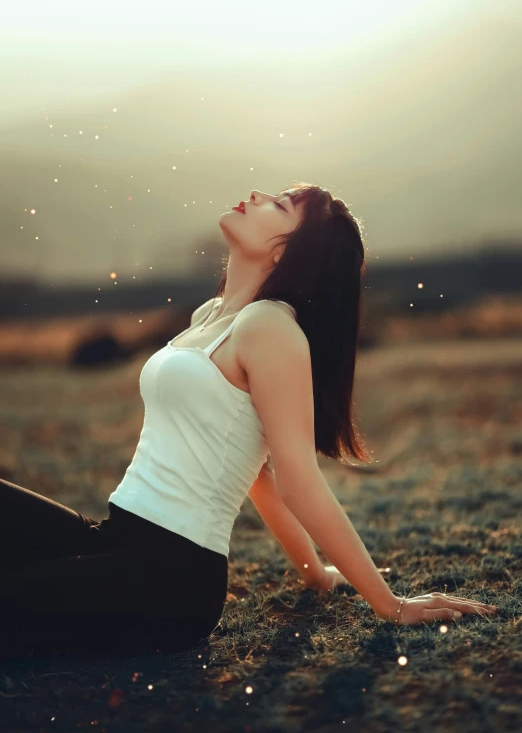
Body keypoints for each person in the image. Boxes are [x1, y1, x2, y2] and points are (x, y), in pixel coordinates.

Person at [0, 184, 498, 661]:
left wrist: (389, 604)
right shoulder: (210, 315)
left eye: (279, 205)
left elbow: (299, 480)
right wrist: (315, 575)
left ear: (285, 252)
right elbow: (258, 476)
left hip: (169, 579)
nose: (257, 195)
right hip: (115, 537)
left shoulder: (270, 328)